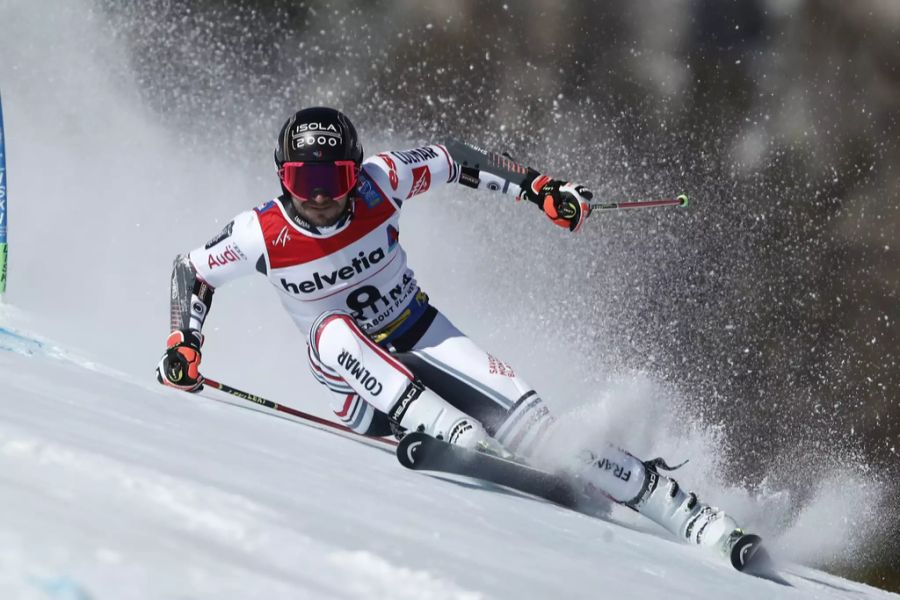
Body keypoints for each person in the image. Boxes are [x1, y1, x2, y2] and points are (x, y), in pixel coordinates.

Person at [156, 106, 745, 554]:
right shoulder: (260, 234)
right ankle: (454, 431)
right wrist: (184, 341)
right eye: (301, 180)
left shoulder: (380, 181)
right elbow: (192, 270)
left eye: (331, 179)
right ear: (281, 177)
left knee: (542, 431)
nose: (317, 198)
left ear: (352, 170)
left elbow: (455, 157)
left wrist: (541, 189)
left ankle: (689, 515)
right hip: (358, 388)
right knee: (332, 330)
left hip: (422, 333)